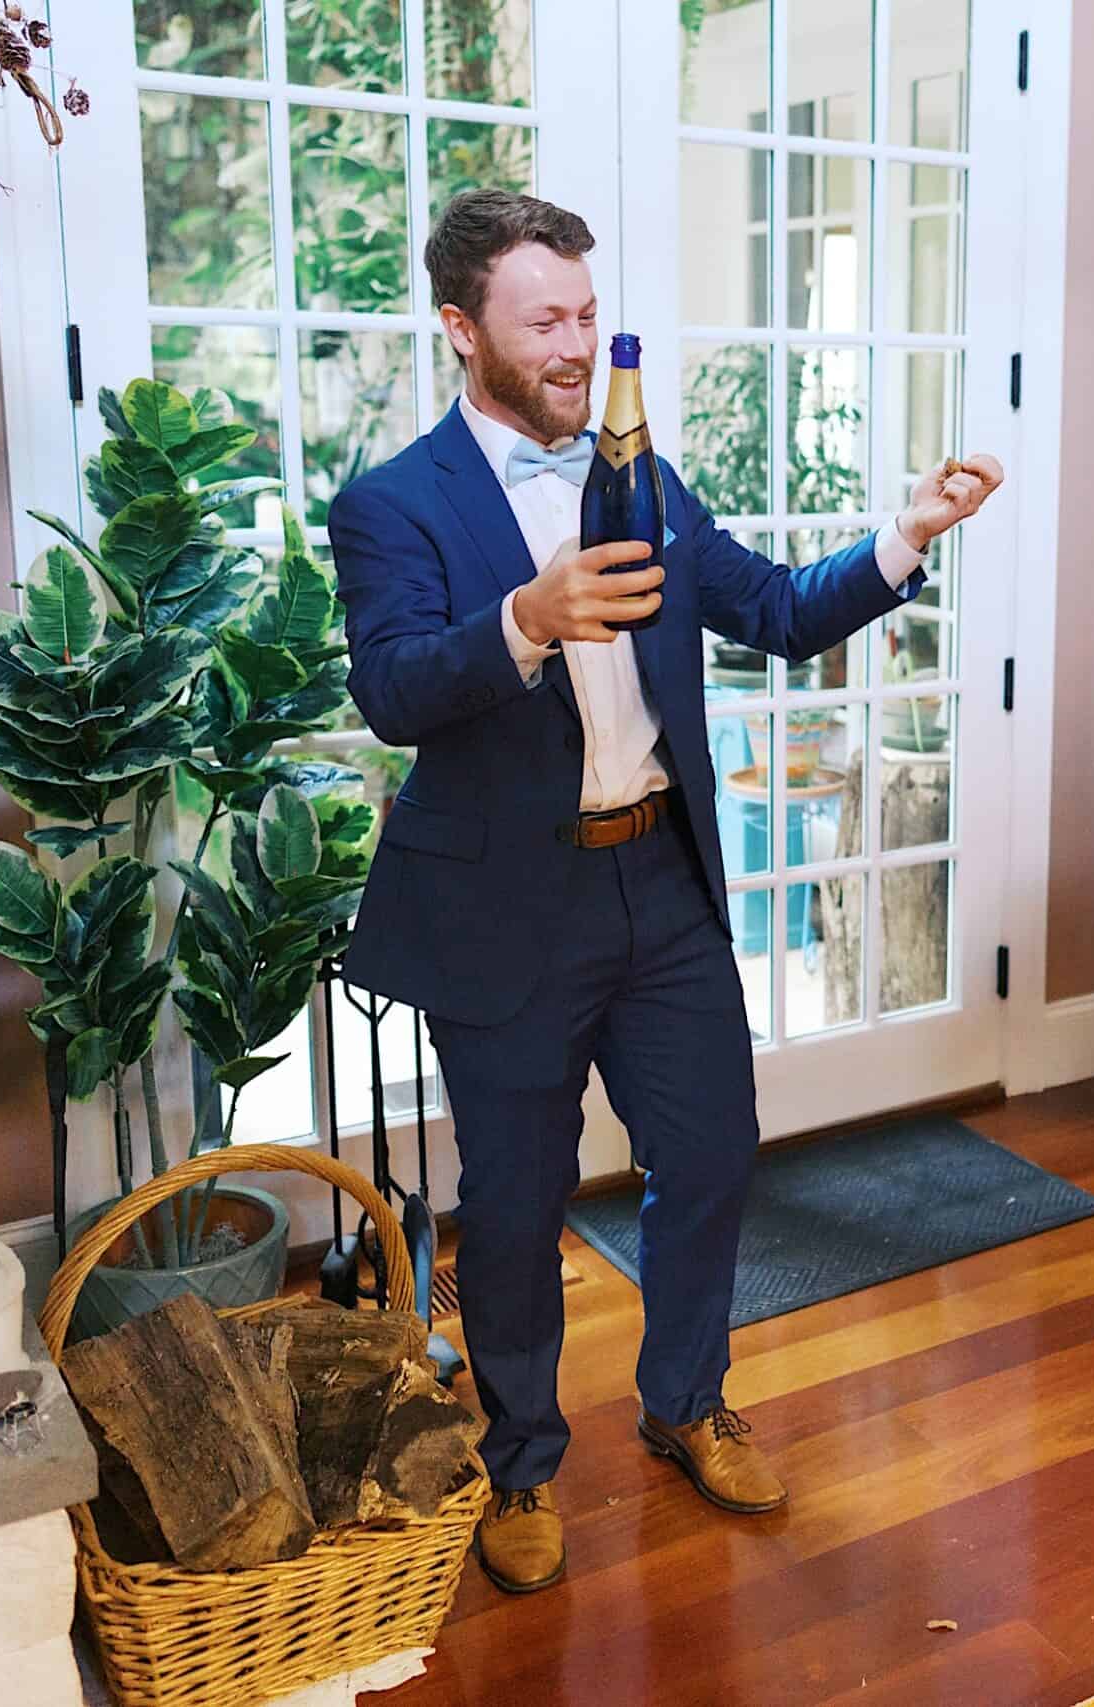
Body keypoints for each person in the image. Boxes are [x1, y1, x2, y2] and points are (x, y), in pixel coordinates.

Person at [327, 189, 1002, 1594]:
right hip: (507, 910)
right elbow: (390, 690)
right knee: (516, 1206)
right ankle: (522, 1461)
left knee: (711, 1155)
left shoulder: (643, 476)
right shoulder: (392, 503)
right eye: (543, 322)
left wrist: (906, 534)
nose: (577, 346)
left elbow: (776, 610)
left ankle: (686, 1401)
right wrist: (525, 619)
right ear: (462, 330)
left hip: (662, 879)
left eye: (587, 314)